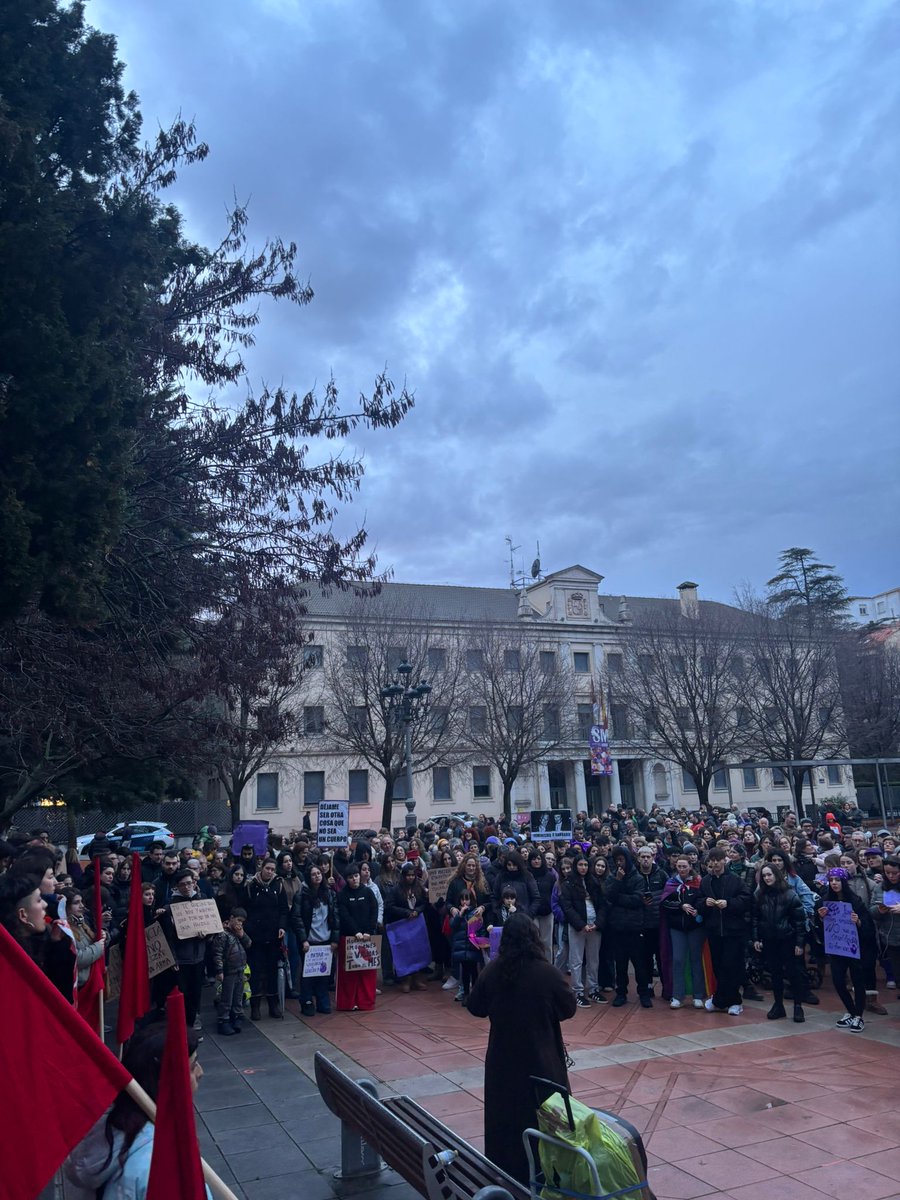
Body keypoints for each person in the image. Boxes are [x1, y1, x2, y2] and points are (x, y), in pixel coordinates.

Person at [466, 912, 577, 1185]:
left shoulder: (493, 970)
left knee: (505, 1119)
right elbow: (569, 1008)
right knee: (547, 1119)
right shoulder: (547, 973)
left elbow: (475, 1006)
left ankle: (506, 1173)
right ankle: (549, 1174)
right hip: (542, 1062)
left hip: (503, 1062)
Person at [64, 1019, 210, 1200]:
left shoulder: (116, 1129)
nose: (200, 1072)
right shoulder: (160, 1164)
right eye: (193, 1066)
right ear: (167, 1083)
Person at [816, 868, 871, 1032]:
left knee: (858, 981)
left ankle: (858, 1015)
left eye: (837, 880)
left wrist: (858, 921)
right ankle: (851, 1011)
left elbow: (867, 926)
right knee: (838, 981)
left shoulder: (855, 901)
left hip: (854, 948)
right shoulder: (825, 901)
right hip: (836, 948)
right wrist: (820, 917)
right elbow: (818, 926)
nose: (834, 883)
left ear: (844, 882)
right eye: (831, 880)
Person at [752, 863, 807, 1023]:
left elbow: (799, 921)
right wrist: (756, 938)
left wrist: (799, 943)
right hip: (770, 939)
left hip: (787, 939)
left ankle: (798, 1006)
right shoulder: (759, 895)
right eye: (764, 876)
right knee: (775, 973)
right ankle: (778, 1004)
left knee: (793, 973)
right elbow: (755, 918)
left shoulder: (790, 894)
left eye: (769, 875)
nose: (767, 878)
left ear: (776, 875)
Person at [698, 848, 750, 1015]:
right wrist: (704, 903)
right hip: (714, 930)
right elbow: (697, 900)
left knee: (731, 966)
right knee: (718, 966)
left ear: (724, 860)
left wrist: (729, 903)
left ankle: (734, 1001)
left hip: (733, 931)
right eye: (711, 861)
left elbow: (746, 899)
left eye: (717, 860)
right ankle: (721, 999)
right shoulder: (706, 881)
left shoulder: (735, 880)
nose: (714, 864)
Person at [242, 858, 289, 1020]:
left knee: (272, 971)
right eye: (267, 868)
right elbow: (245, 909)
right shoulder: (250, 885)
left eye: (272, 869)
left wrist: (282, 926)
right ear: (261, 868)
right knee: (255, 972)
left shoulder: (279, 884)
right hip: (256, 937)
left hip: (273, 936)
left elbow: (284, 909)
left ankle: (273, 1004)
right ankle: (255, 1006)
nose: (270, 871)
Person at [660, 856, 708, 1011]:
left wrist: (697, 910)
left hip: (695, 927)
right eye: (679, 866)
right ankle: (677, 996)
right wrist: (681, 906)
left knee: (696, 960)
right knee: (678, 960)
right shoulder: (671, 883)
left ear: (690, 866)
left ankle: (698, 995)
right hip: (677, 928)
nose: (682, 869)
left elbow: (703, 900)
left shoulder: (698, 882)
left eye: (684, 866)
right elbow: (665, 903)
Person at [559, 855, 606, 1007]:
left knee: (594, 959)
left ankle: (593, 989)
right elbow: (567, 907)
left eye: (586, 864)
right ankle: (578, 991)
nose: (583, 867)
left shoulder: (594, 882)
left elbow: (603, 905)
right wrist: (580, 924)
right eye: (580, 864)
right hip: (577, 926)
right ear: (575, 866)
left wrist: (598, 923)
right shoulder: (568, 884)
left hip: (594, 926)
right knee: (576, 960)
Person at [293, 863, 339, 1016]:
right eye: (313, 874)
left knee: (324, 973)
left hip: (326, 940)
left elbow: (335, 917)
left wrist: (334, 939)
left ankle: (322, 999)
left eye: (319, 873)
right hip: (309, 941)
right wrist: (303, 939)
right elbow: (297, 918)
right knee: (308, 974)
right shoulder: (301, 894)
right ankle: (306, 1000)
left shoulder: (330, 894)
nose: (317, 876)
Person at [335, 862, 379, 1011]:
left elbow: (374, 910)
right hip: (349, 938)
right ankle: (348, 1002)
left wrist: (368, 930)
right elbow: (344, 915)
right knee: (348, 974)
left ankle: (365, 1001)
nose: (354, 879)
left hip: (367, 938)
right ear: (346, 879)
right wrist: (355, 932)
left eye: (356, 876)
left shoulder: (368, 892)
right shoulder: (342, 895)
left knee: (367, 972)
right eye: (351, 877)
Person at [210, 906, 251, 1035]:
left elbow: (249, 943)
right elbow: (217, 954)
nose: (240, 924)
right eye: (238, 920)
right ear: (231, 918)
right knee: (226, 997)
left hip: (240, 969)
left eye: (242, 922)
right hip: (229, 971)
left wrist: (242, 934)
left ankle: (237, 1016)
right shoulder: (223, 934)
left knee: (238, 996)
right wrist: (219, 970)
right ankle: (224, 1020)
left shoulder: (239, 933)